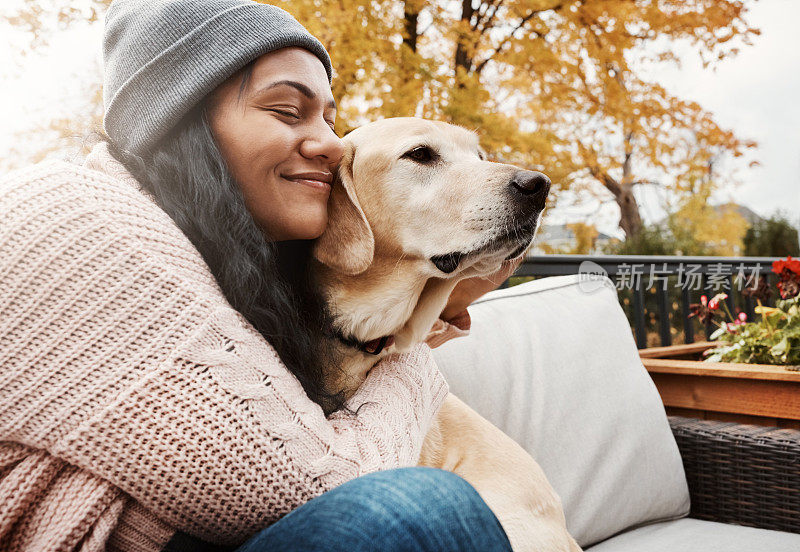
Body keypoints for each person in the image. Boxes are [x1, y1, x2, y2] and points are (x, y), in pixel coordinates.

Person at [0, 1, 519, 551]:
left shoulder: (223, 256)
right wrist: (411, 350)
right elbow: (334, 485)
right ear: (183, 122)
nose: (333, 144)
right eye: (289, 111)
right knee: (421, 510)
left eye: (328, 117)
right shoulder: (86, 220)